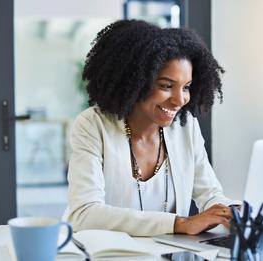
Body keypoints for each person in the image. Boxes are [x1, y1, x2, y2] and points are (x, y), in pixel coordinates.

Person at [63, 19, 240, 237]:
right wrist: (179, 224)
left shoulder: (185, 128)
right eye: (166, 86)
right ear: (134, 81)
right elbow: (84, 214)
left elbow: (210, 194)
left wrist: (231, 212)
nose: (179, 100)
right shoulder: (93, 125)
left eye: (186, 87)